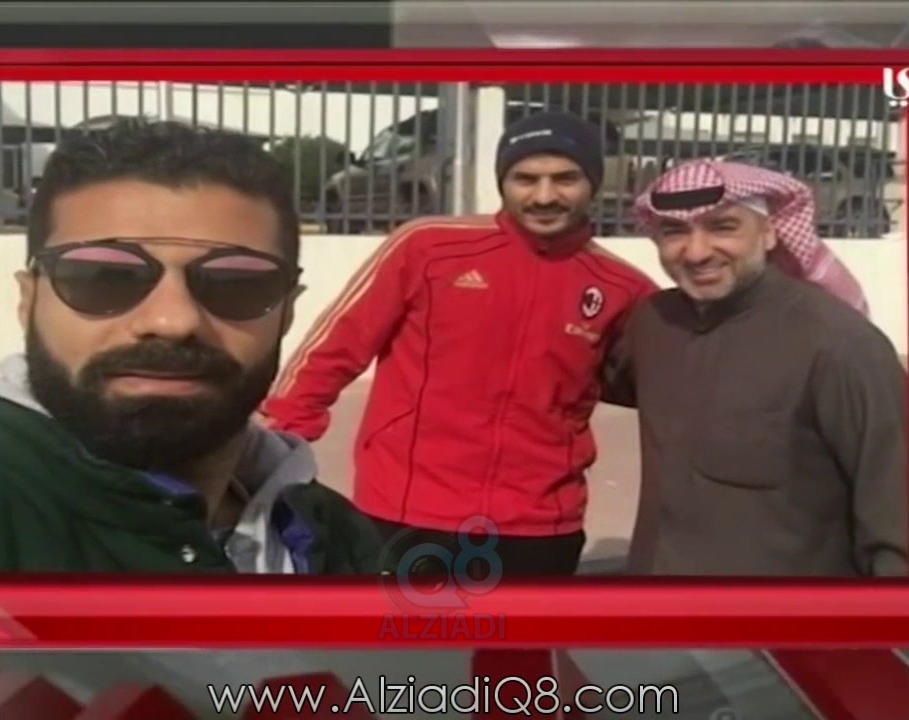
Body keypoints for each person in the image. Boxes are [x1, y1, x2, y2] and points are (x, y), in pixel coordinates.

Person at [0, 118, 383, 575]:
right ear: (28, 300)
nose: (173, 321)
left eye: (237, 283)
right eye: (105, 277)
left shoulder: (339, 539)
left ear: (287, 311)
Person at [260, 112, 658, 576]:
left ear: (594, 183)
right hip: (405, 509)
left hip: (540, 524)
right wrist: (276, 452)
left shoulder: (623, 287)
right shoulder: (428, 248)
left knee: (519, 630)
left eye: (566, 178)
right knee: (393, 627)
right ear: (502, 181)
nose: (545, 196)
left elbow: (657, 385)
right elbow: (335, 347)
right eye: (526, 179)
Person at [604, 159, 908, 577]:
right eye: (674, 232)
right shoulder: (654, 323)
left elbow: (900, 525)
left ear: (769, 232)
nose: (696, 252)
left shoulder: (839, 346)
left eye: (723, 227)